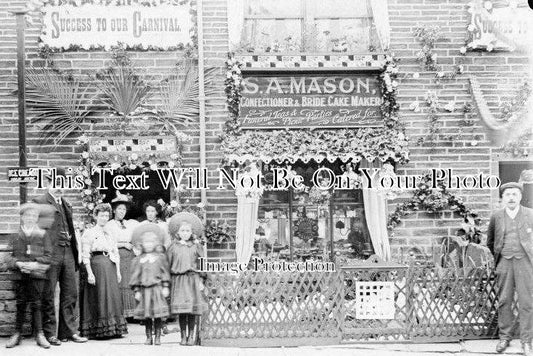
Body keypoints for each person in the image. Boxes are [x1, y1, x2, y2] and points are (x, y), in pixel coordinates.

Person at [32, 168, 87, 345]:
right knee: (48, 294)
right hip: (50, 254)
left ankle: (69, 331)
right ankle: (50, 334)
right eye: (56, 183)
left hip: (68, 252)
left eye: (62, 184)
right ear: (48, 183)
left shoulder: (66, 204)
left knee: (70, 293)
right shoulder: (39, 202)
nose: (59, 188)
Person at [487, 182, 533, 356]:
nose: (511, 198)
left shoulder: (530, 214)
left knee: (527, 302)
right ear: (502, 198)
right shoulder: (496, 216)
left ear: (520, 197)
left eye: (514, 194)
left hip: (525, 263)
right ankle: (504, 337)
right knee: (504, 300)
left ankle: (527, 340)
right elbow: (490, 242)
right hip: (504, 263)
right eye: (507, 195)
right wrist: (501, 258)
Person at [5, 203, 52, 349]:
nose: (31, 218)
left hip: (37, 275)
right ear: (22, 217)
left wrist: (35, 264)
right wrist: (18, 264)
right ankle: (17, 333)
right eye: (28, 215)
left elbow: (49, 256)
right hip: (20, 276)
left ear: (37, 218)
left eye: (33, 215)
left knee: (37, 304)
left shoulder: (43, 234)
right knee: (20, 303)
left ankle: (39, 334)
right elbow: (7, 257)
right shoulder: (15, 236)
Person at [79, 203, 128, 339]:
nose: (104, 218)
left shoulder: (110, 233)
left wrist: (118, 271)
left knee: (112, 296)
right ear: (96, 216)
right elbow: (85, 254)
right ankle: (98, 330)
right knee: (99, 295)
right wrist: (89, 272)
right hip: (97, 265)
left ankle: (114, 329)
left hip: (110, 265)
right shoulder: (89, 232)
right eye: (101, 216)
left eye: (106, 216)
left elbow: (115, 252)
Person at [167, 217, 207, 346]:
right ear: (178, 233)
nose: (185, 233)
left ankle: (191, 335)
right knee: (182, 310)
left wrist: (201, 278)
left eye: (187, 230)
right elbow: (167, 264)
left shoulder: (196, 246)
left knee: (192, 309)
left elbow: (202, 263)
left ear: (191, 232)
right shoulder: (173, 247)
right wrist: (167, 283)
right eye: (182, 230)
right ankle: (183, 336)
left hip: (193, 279)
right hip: (179, 280)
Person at [129, 224, 171, 346]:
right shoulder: (139, 260)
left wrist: (165, 286)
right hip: (144, 291)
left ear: (155, 244)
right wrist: (136, 290)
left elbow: (164, 273)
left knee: (157, 315)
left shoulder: (160, 258)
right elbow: (135, 276)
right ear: (142, 244)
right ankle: (148, 337)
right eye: (146, 243)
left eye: (150, 242)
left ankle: (158, 337)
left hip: (157, 289)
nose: (148, 245)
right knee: (147, 315)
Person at [104, 191, 139, 319]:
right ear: (114, 210)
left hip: (130, 257)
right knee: (121, 283)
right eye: (119, 209)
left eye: (124, 209)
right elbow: (108, 243)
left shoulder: (130, 224)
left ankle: (133, 313)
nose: (122, 212)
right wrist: (123, 244)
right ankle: (121, 313)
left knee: (130, 282)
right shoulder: (109, 225)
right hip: (117, 256)